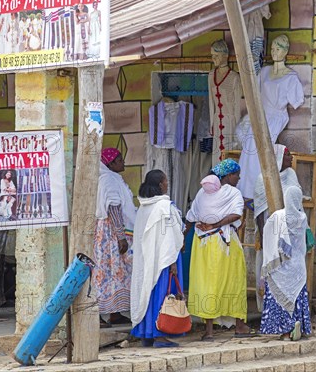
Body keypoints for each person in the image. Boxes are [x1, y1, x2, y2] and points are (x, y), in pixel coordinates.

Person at [185, 159, 256, 341]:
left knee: (207, 283)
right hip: (224, 244)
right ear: (228, 175)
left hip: (202, 243)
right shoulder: (233, 192)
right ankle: (239, 325)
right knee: (234, 280)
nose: (238, 179)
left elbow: (190, 217)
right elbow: (236, 214)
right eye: (236, 175)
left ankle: (209, 331)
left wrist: (183, 238)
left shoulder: (202, 192)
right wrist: (216, 224)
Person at [237, 34, 304, 200]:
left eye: (278, 49)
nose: (274, 52)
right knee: (249, 147)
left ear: (285, 51)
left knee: (261, 146)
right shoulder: (265, 72)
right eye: (272, 48)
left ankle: (259, 189)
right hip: (260, 114)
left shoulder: (290, 76)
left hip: (276, 116)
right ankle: (246, 189)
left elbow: (296, 101)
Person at [130, 170, 184, 348]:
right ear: (161, 184)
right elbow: (168, 236)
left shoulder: (143, 207)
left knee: (147, 292)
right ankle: (160, 335)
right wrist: (172, 262)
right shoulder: (163, 206)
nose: (168, 183)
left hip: (147, 259)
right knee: (163, 294)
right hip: (164, 259)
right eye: (166, 180)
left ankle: (147, 333)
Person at [259, 186, 311, 340]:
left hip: (281, 266)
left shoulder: (278, 216)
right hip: (298, 267)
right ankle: (297, 325)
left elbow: (268, 236)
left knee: (280, 295)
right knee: (296, 296)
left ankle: (285, 332)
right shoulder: (302, 218)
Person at [253, 144, 300, 311]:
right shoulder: (262, 178)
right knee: (270, 268)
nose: (291, 158)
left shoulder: (291, 175)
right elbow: (259, 211)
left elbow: (296, 202)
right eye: (287, 155)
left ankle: (287, 308)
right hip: (270, 230)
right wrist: (265, 238)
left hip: (289, 231)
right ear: (278, 157)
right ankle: (268, 311)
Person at [94, 148, 137, 327]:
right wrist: (120, 236)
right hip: (111, 232)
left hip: (109, 230)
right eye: (119, 160)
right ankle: (97, 314)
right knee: (107, 271)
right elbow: (113, 207)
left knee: (115, 272)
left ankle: (116, 313)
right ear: (110, 164)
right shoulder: (109, 180)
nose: (123, 162)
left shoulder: (110, 178)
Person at [208, 39, 243, 165]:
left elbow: (237, 105)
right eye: (212, 56)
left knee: (229, 153)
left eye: (216, 56)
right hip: (217, 122)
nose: (214, 59)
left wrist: (237, 129)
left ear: (225, 55)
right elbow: (211, 103)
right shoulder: (211, 75)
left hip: (230, 122)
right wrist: (212, 124)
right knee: (217, 153)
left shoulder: (234, 77)